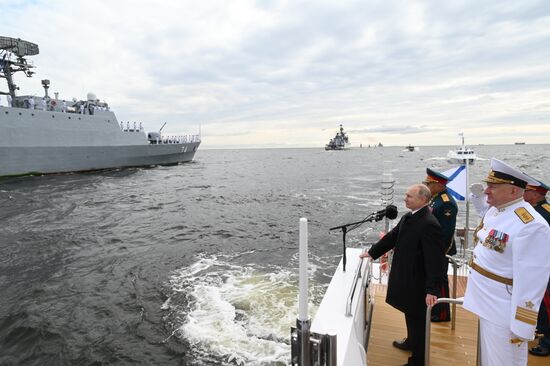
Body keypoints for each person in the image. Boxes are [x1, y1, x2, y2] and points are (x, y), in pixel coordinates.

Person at [463, 158, 550, 366]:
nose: (486, 191)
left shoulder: (531, 225)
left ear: (513, 191)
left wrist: (522, 325)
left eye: (493, 187)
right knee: (488, 359)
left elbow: (532, 280)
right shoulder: (498, 209)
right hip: (486, 301)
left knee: (503, 361)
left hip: (504, 311)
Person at [359, 184, 447, 366]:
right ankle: (411, 341)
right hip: (408, 277)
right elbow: (392, 237)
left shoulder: (429, 224)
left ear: (423, 200)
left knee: (419, 320)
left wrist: (432, 289)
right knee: (410, 312)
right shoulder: (410, 216)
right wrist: (373, 252)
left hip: (419, 281)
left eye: (409, 196)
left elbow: (434, 261)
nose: (405, 198)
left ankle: (418, 360)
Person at [423, 168, 458, 322]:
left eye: (429, 184)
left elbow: (445, 232)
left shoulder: (446, 203)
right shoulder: (435, 198)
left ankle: (443, 314)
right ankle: (432, 309)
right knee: (432, 280)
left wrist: (437, 252)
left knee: (439, 281)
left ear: (438, 184)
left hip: (441, 249)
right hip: (431, 248)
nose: (427, 186)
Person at [523, 180, 550, 357]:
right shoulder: (533, 210)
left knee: (547, 305)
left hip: (545, 265)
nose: (523, 194)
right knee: (537, 302)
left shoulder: (544, 213)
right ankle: (539, 331)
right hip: (535, 264)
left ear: (536, 194)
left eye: (526, 191)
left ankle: (547, 342)